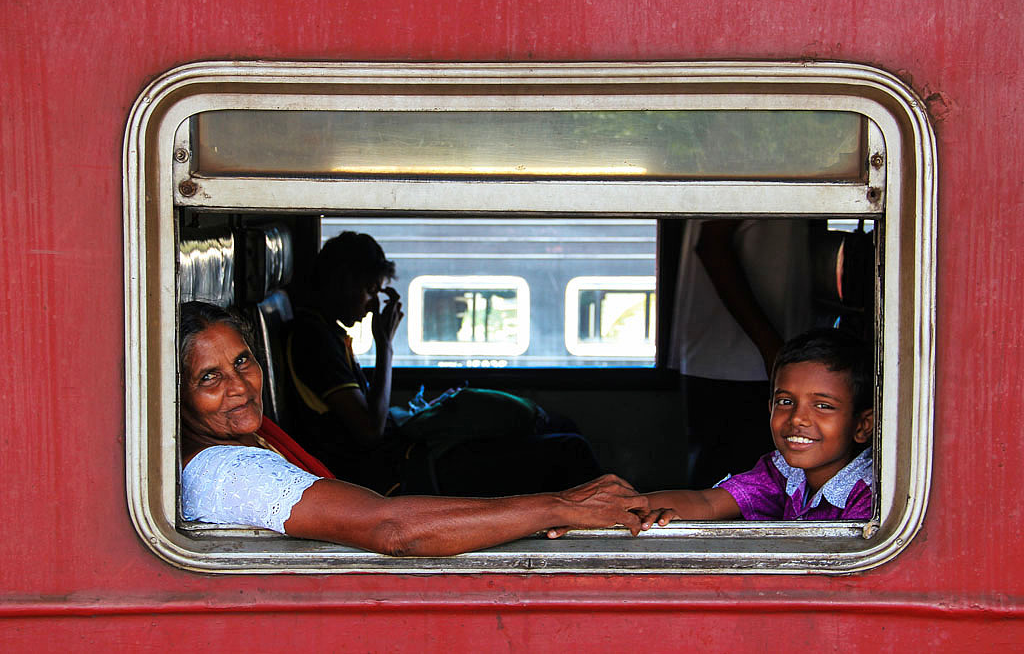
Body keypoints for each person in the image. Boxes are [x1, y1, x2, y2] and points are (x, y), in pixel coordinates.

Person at [178, 301, 648, 556]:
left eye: (242, 362)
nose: (239, 386)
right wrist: (559, 506)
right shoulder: (229, 472)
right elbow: (392, 529)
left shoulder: (248, 437)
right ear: (175, 392)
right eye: (209, 378)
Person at [284, 231, 601, 496]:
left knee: (560, 427)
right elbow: (369, 431)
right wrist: (386, 347)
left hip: (406, 456)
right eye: (369, 292)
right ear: (342, 281)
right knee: (569, 449)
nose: (371, 307)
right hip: (394, 472)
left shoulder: (326, 334)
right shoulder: (314, 341)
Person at [640, 328, 874, 524]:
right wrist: (634, 504)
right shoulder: (784, 472)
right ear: (770, 406)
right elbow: (709, 503)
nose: (797, 418)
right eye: (785, 402)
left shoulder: (869, 496)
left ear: (863, 426)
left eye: (823, 406)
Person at [668, 219, 815, 488]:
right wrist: (772, 349)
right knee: (733, 491)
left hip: (744, 361)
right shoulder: (752, 175)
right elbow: (712, 246)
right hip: (740, 363)